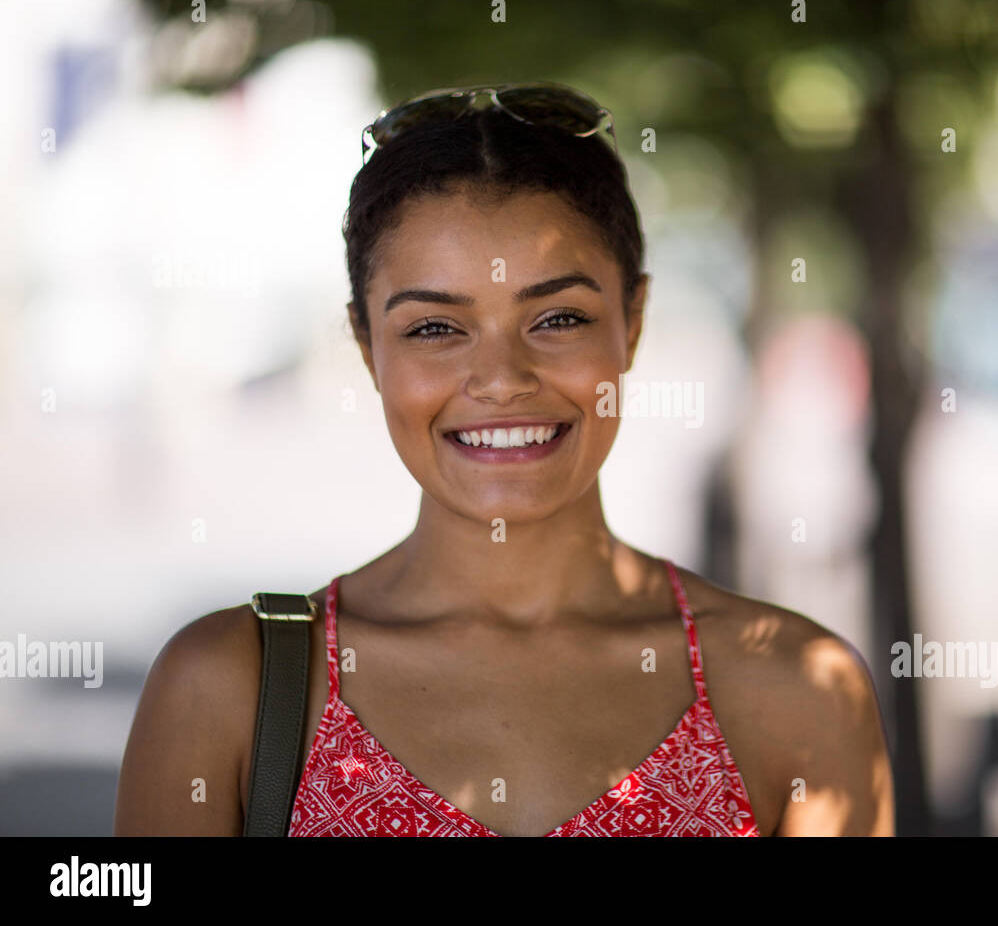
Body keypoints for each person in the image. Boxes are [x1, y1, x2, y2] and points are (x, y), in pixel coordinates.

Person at [113, 82, 893, 836]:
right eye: (433, 329)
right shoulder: (230, 690)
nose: (501, 380)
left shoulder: (796, 688)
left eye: (557, 317)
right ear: (365, 346)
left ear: (634, 319)